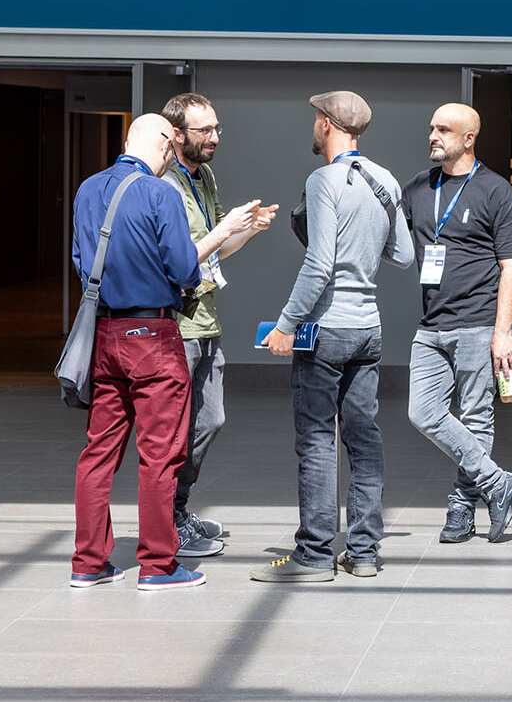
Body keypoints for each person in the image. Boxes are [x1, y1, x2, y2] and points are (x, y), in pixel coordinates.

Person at [70, 113, 247, 591]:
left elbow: (80, 260)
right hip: (153, 336)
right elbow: (188, 270)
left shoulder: (88, 189)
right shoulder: (162, 192)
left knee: (99, 452)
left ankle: (88, 563)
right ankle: (158, 565)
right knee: (160, 454)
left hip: (104, 334)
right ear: (168, 145)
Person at [254, 92, 414, 582]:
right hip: (369, 329)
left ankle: (315, 555)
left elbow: (319, 262)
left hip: (326, 331)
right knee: (364, 439)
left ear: (327, 124)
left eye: (315, 119)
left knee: (318, 441)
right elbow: (404, 254)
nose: (314, 127)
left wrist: (285, 324)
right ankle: (363, 552)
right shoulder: (384, 179)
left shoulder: (323, 180)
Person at [399, 103, 512, 544]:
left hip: (478, 323)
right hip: (431, 324)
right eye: (431, 127)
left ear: (469, 138)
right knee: (422, 411)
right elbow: (390, 239)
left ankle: (461, 507)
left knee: (477, 417)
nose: (433, 135)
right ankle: (498, 483)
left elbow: (511, 267)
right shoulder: (418, 187)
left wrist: (502, 332)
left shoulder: (495, 192)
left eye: (443, 129)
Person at [160, 92, 279, 558]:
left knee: (211, 419)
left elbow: (212, 253)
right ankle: (167, 521)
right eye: (204, 130)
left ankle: (179, 509)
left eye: (217, 128)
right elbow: (181, 262)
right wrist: (227, 226)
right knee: (175, 428)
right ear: (178, 135)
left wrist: (246, 229)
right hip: (177, 324)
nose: (214, 138)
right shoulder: (163, 185)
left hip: (207, 319)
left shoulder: (203, 175)